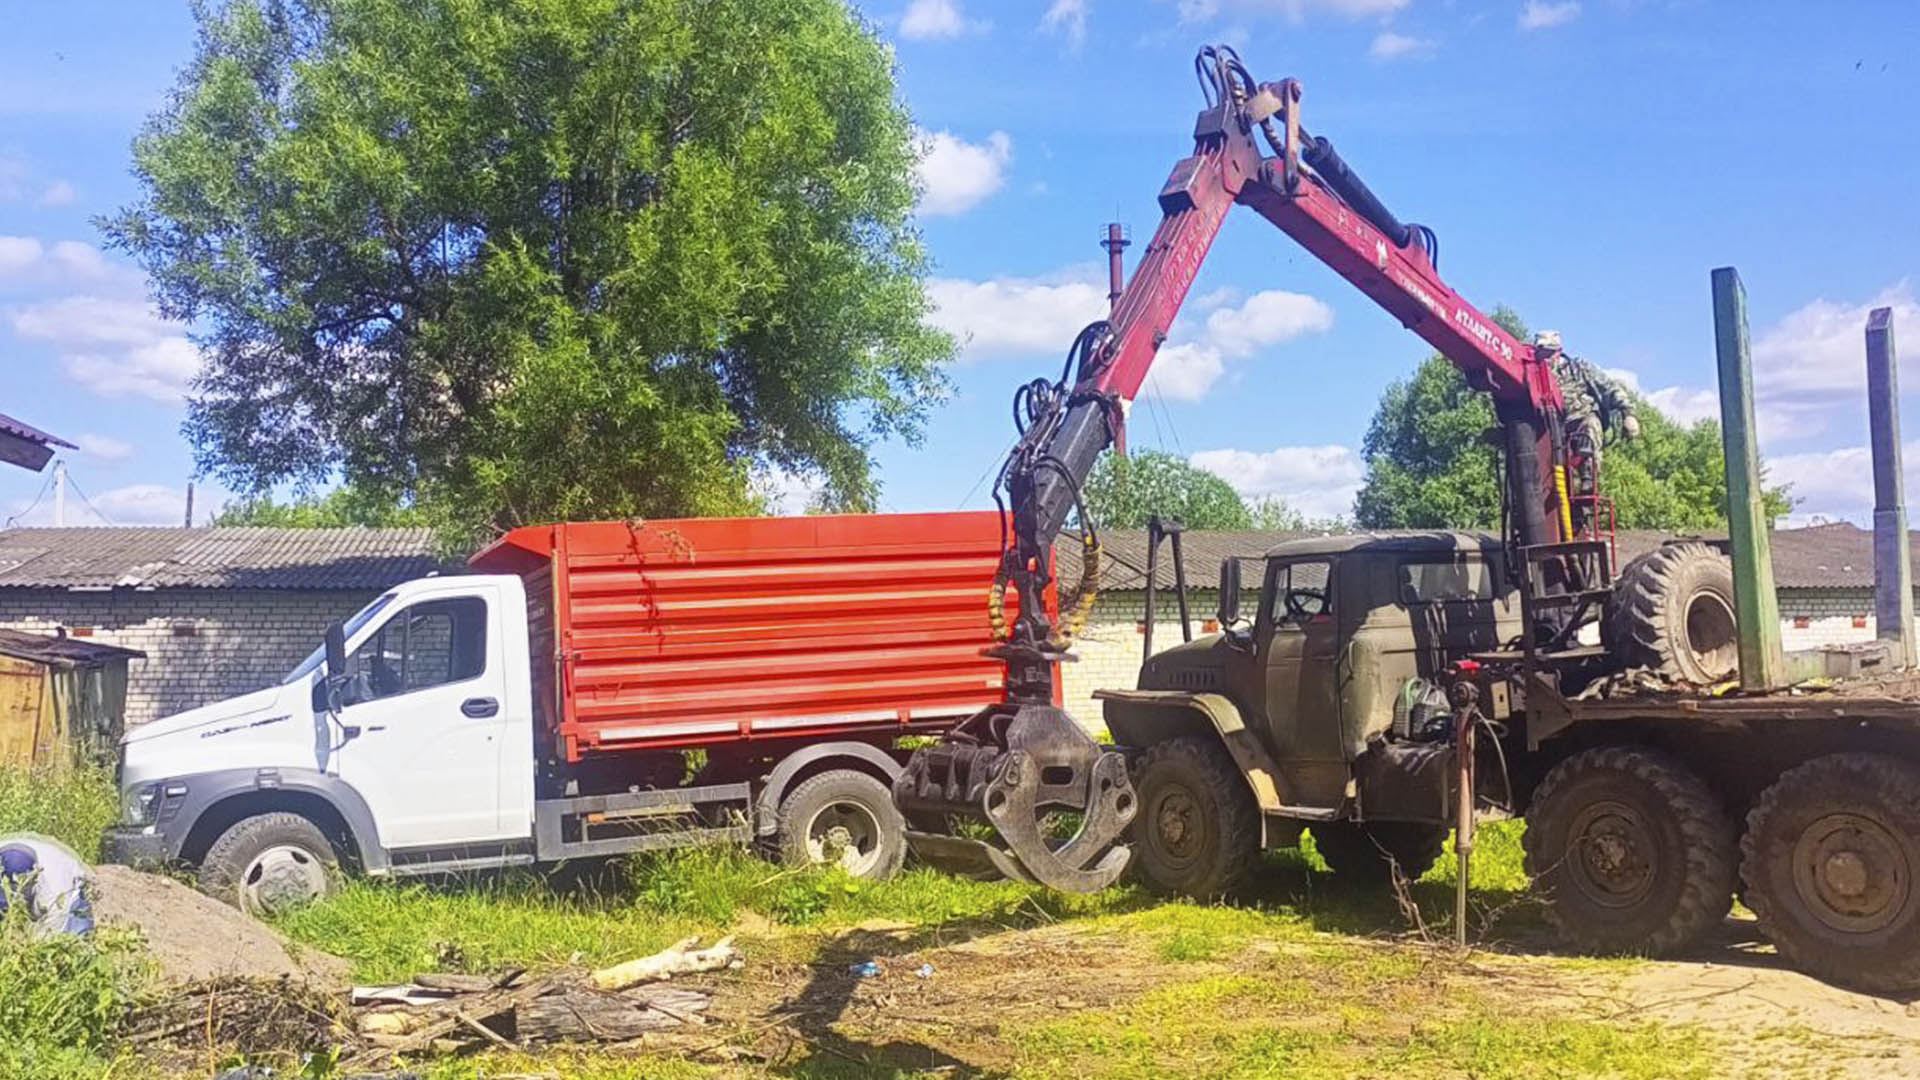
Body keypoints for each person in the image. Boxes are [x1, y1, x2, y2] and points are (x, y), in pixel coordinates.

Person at [1535, 330, 1639, 498]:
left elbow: (1609, 388)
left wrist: (1628, 413)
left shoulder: (1578, 369)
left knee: (1589, 427)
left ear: (1558, 351)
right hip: (1550, 429)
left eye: (1548, 353)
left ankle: (1588, 478)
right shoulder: (1534, 376)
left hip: (1580, 420)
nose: (1545, 359)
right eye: (1540, 354)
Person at [0, 836, 94, 937]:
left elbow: (55, 924)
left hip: (68, 884)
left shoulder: (55, 885)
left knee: (72, 935)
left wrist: (29, 946)